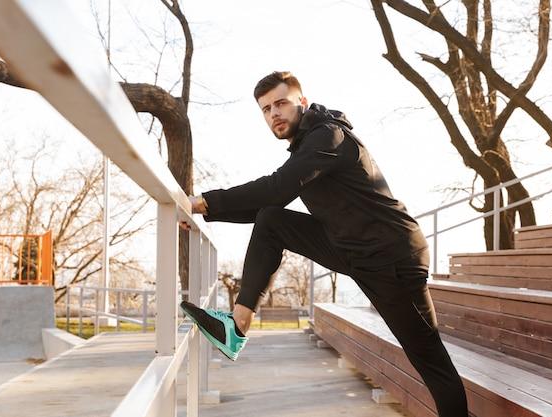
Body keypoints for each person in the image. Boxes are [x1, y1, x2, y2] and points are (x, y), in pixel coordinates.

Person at [180, 71, 469, 416]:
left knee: (429, 358)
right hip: (351, 248)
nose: (274, 113)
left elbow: (277, 187)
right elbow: (267, 205)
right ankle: (235, 326)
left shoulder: (328, 136)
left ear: (301, 102)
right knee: (272, 221)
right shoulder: (306, 148)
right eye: (266, 108)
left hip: (392, 255)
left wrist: (203, 202)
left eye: (282, 103)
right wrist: (205, 214)